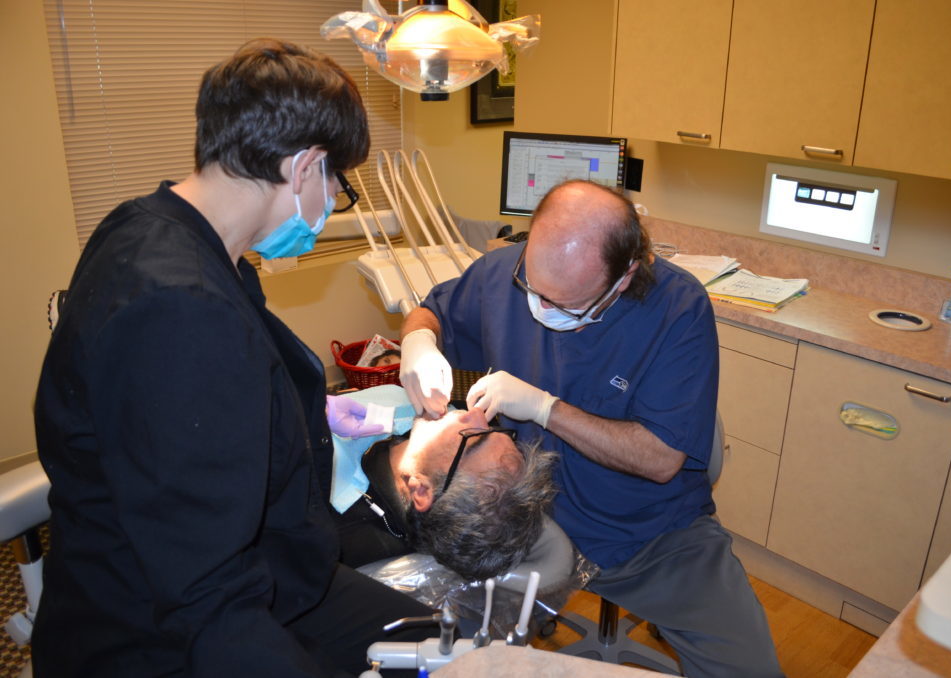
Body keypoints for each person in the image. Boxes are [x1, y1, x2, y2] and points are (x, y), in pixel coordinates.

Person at [33, 38, 433, 677]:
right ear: (305, 168)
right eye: (338, 183)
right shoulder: (182, 310)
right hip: (152, 627)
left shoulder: (145, 225)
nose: (333, 202)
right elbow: (205, 599)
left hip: (260, 570)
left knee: (428, 640)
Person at [398, 180, 784, 677]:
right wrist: (419, 342)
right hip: (524, 521)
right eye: (533, 292)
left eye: (567, 306)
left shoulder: (678, 309)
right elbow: (433, 311)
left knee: (750, 669)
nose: (541, 310)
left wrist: (544, 408)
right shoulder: (503, 273)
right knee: (432, 648)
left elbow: (662, 458)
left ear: (625, 277)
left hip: (647, 535)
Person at [325, 397, 557, 581]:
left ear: (422, 491)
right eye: (492, 428)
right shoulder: (435, 426)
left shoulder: (337, 521)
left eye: (473, 437)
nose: (475, 412)